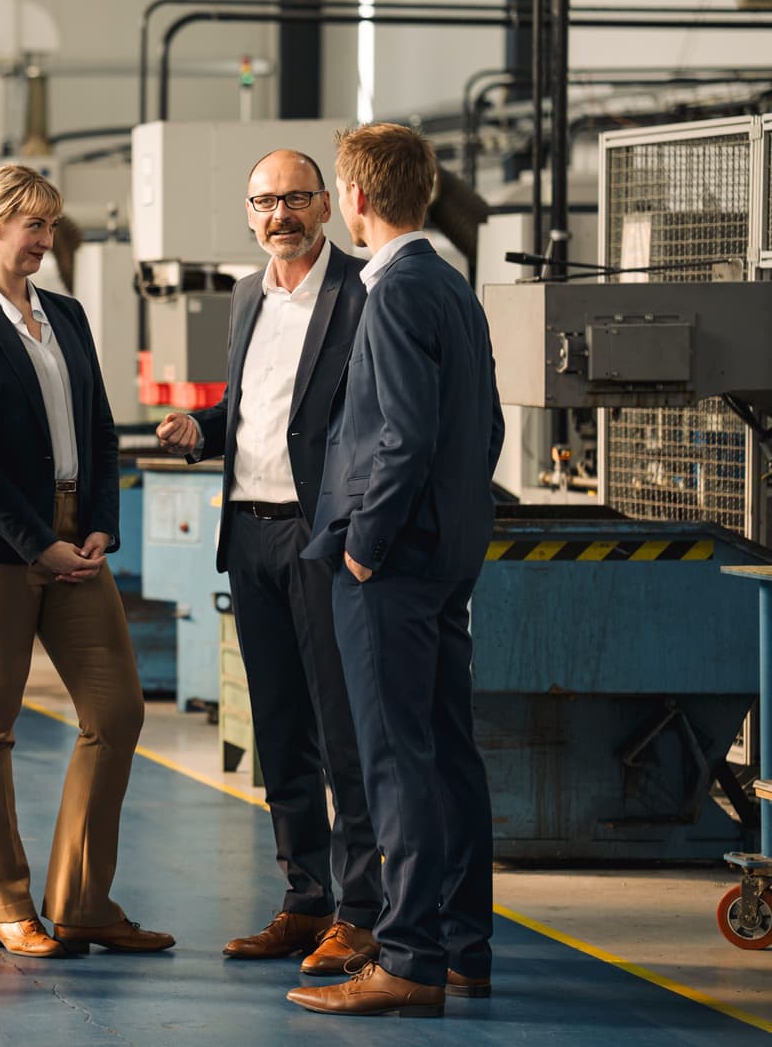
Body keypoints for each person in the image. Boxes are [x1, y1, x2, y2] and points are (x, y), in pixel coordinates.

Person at [286, 123, 504, 1019]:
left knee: (394, 761)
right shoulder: (450, 285)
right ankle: (462, 946)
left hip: (393, 565)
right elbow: (484, 430)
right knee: (446, 750)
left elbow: (402, 436)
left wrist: (365, 545)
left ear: (358, 200)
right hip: (443, 557)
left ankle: (408, 957)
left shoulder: (398, 290)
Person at [155, 150, 382, 976]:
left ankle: (361, 913)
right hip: (247, 536)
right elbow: (255, 410)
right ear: (248, 214)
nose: (278, 214)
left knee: (342, 732)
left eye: (293, 198)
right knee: (280, 733)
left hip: (320, 539)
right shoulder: (248, 294)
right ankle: (304, 900)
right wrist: (201, 431)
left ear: (325, 205)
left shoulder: (361, 293)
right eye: (263, 201)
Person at [0, 164, 173, 960]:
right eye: (32, 225)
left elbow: (100, 431)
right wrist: (36, 540)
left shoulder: (66, 316)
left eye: (49, 225)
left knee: (116, 713)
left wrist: (101, 523)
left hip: (79, 536)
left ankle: (79, 902)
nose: (44, 240)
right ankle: (5, 903)